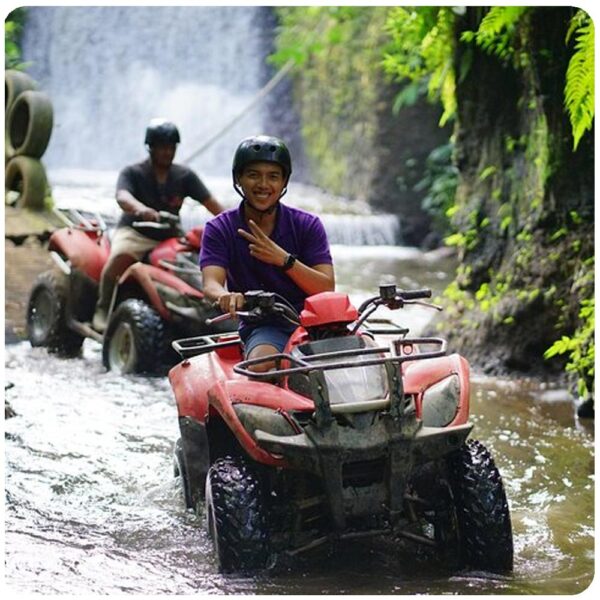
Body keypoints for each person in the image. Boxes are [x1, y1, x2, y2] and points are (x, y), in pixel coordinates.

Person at [200, 135, 335, 372]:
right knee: (260, 367)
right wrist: (227, 296)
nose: (263, 184)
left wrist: (284, 260)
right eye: (253, 175)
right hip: (265, 324)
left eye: (273, 176)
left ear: (284, 183)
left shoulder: (308, 225)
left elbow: (326, 287)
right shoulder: (219, 228)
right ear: (239, 179)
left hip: (318, 320)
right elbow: (211, 283)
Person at [92, 118, 224, 332]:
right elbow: (123, 196)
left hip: (170, 236)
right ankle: (102, 309)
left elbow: (212, 204)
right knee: (119, 258)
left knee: (195, 265)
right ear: (150, 147)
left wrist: (236, 224)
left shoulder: (184, 176)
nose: (167, 152)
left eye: (171, 147)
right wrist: (140, 209)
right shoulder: (132, 172)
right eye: (162, 147)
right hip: (135, 233)